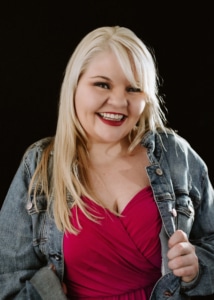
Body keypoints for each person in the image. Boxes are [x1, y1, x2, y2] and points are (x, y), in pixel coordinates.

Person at [0, 25, 214, 300]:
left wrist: (197, 269)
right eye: (102, 84)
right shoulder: (39, 166)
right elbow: (7, 280)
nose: (119, 101)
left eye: (133, 88)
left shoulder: (175, 156)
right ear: (75, 85)